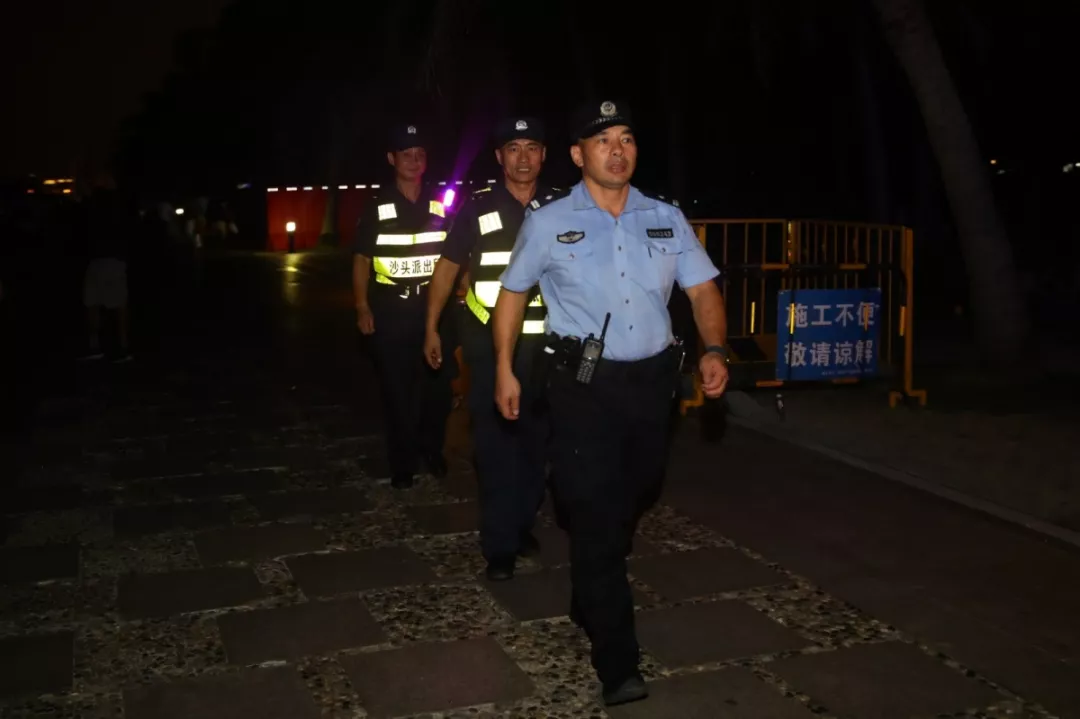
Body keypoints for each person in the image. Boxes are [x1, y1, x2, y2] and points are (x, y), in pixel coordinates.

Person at [491, 100, 730, 706]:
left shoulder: (665, 216)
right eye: (603, 141)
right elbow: (512, 295)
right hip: (581, 388)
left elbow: (703, 290)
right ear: (578, 154)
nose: (617, 151)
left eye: (626, 139)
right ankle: (618, 661)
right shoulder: (548, 222)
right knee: (597, 511)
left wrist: (714, 349)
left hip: (651, 386)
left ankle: (589, 583)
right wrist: (503, 369)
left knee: (637, 493)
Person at [423, 117, 561, 580]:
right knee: (496, 441)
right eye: (513, 148)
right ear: (499, 157)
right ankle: (499, 544)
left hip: (548, 345)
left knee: (536, 441)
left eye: (532, 147)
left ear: (544, 154)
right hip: (488, 343)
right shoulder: (478, 207)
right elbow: (447, 268)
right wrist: (431, 327)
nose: (523, 157)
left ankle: (521, 522)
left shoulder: (563, 206)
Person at [353, 121, 456, 489]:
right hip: (391, 311)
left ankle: (432, 450)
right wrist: (362, 306)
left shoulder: (441, 202)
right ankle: (402, 462)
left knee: (438, 390)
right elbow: (362, 259)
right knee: (398, 391)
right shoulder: (377, 205)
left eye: (420, 154)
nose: (414, 160)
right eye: (406, 154)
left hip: (436, 311)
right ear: (391, 159)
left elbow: (456, 254)